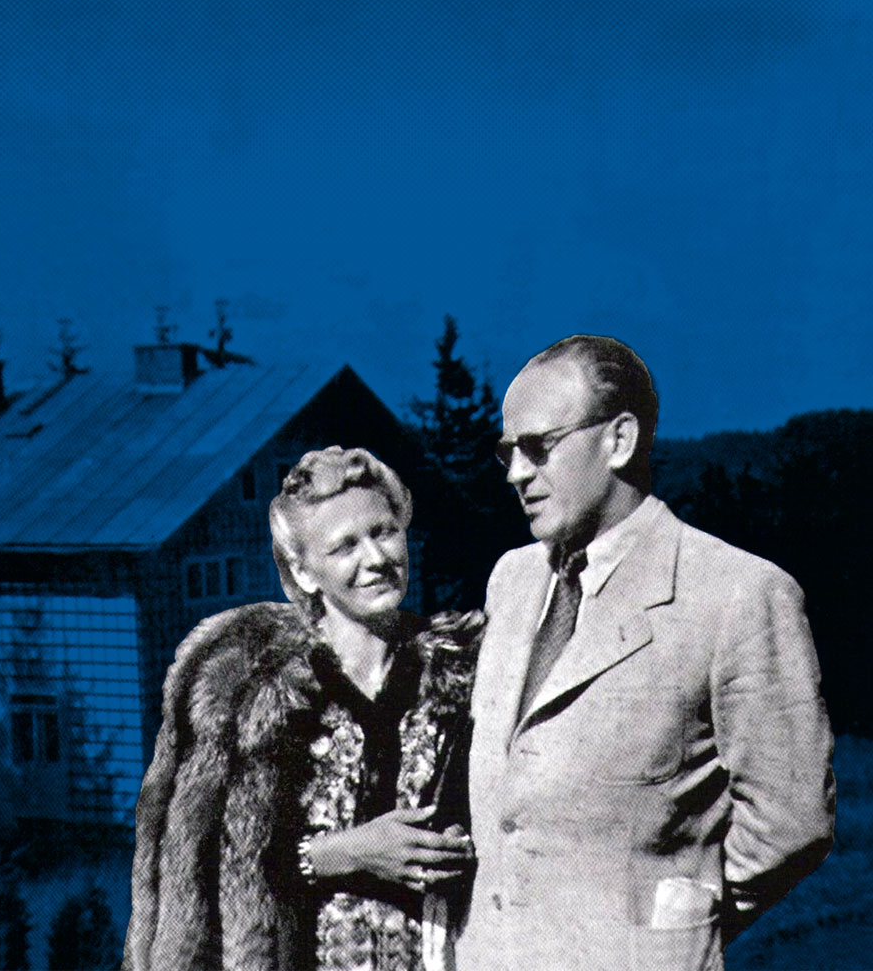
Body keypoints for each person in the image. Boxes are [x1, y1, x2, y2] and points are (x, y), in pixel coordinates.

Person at [455, 335, 835, 971]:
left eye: (539, 447)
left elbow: (790, 822)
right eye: (507, 452)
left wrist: (680, 920)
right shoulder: (511, 580)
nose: (517, 473)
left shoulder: (737, 593)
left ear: (620, 440)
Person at [123, 446, 481, 971]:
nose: (375, 559)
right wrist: (347, 852)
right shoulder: (248, 691)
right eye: (344, 546)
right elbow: (201, 872)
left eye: (384, 532)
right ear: (304, 572)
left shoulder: (464, 673)